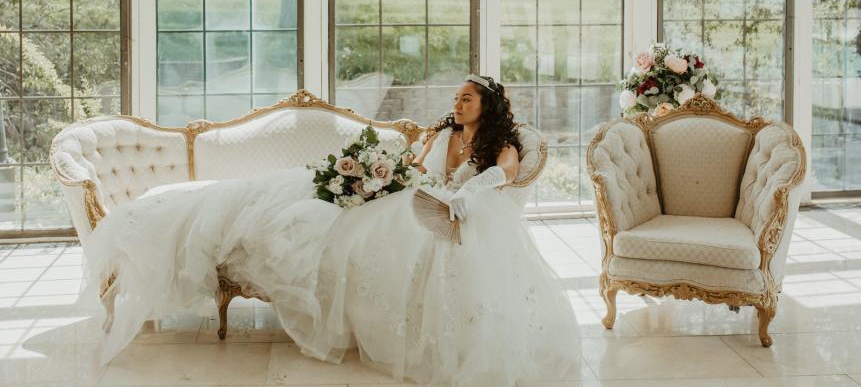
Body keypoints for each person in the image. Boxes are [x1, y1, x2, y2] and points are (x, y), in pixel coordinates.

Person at [83, 75, 580, 385]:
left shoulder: (503, 144)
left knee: (366, 237)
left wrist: (463, 196)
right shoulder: (443, 133)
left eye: (467, 98)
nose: (458, 102)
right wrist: (382, 176)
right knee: (308, 209)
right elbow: (411, 166)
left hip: (449, 210)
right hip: (411, 195)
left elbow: (505, 177)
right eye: (457, 97)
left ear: (487, 106)